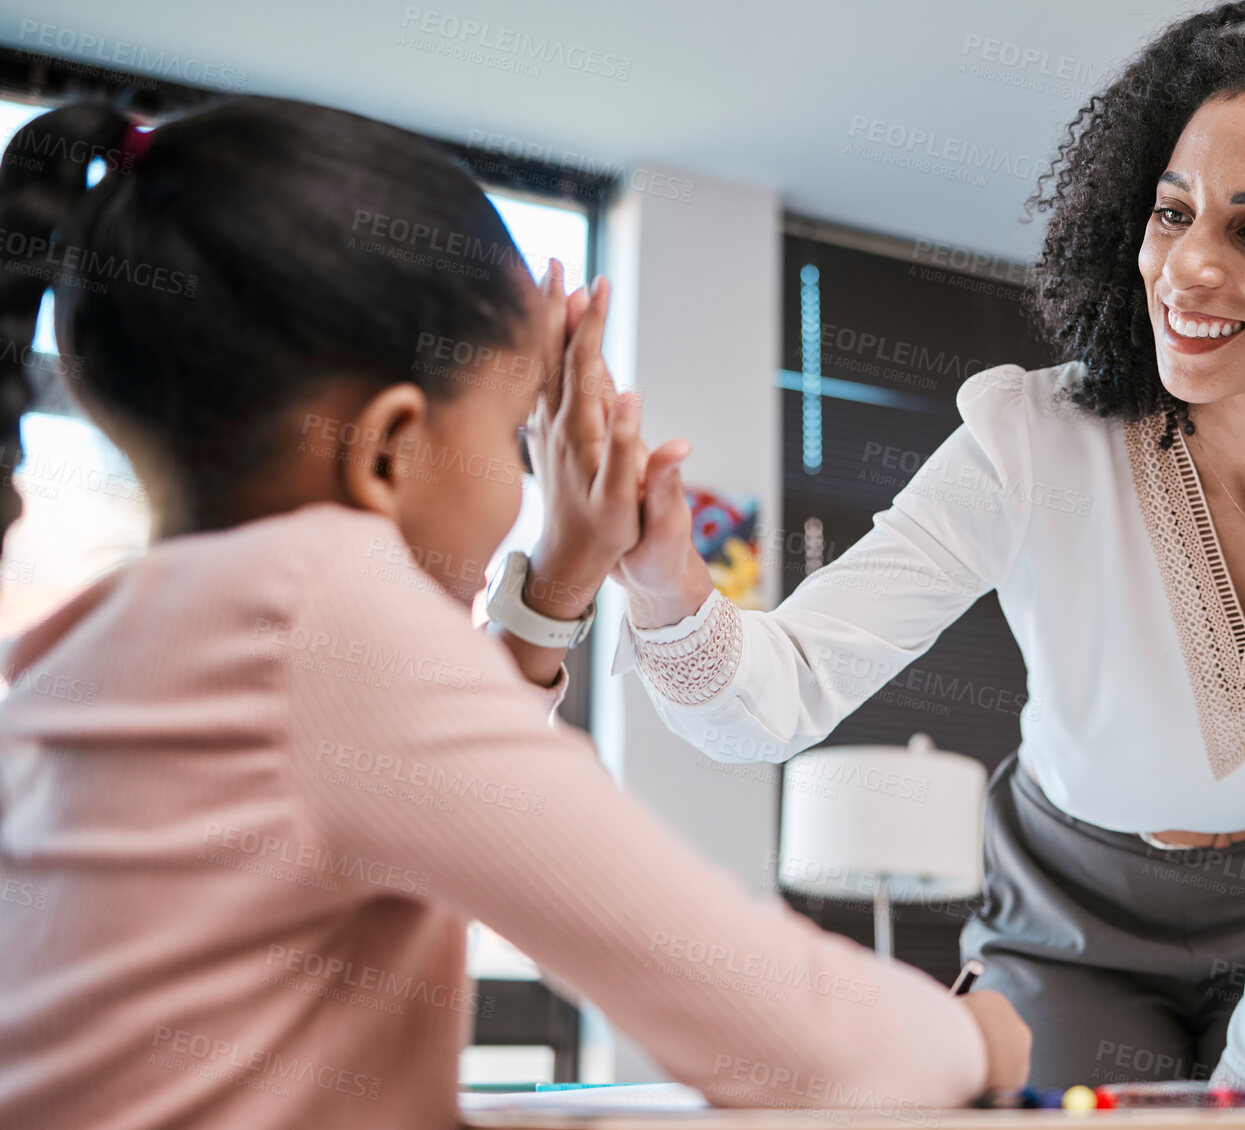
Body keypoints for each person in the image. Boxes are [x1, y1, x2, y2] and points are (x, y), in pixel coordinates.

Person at [609, 1, 1245, 1091]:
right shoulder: (1029, 441)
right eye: (1170, 211)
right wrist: (664, 582)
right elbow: (770, 702)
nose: (1182, 269)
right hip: (1066, 907)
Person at [0, 96, 1029, 1130]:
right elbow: (795, 1035)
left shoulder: (105, 643)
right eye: (506, 441)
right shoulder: (325, 625)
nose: (518, 484)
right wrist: (982, 1033)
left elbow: (404, 754)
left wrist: (563, 574)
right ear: (391, 450)